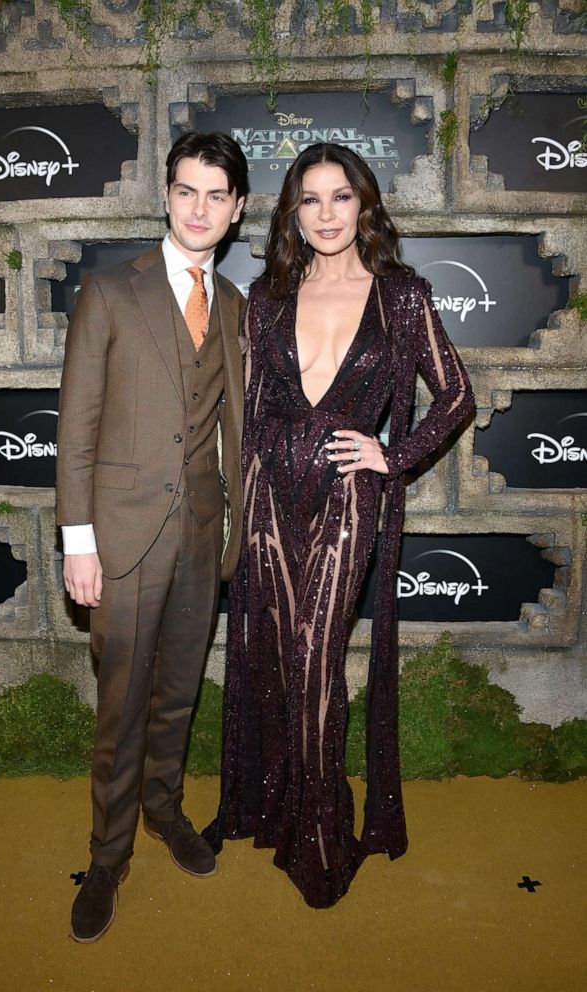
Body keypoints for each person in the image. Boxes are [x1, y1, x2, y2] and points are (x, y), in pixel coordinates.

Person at [204, 142, 475, 908]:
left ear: (365, 205)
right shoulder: (266, 298)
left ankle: (322, 834)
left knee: (317, 660)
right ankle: (278, 807)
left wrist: (393, 455)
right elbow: (247, 405)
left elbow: (456, 395)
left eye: (341, 197)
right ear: (291, 212)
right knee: (277, 662)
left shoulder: (403, 296)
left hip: (347, 499)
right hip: (268, 497)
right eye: (310, 200)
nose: (326, 214)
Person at [56, 132, 248, 941]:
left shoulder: (236, 307)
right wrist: (78, 541)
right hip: (121, 540)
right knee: (121, 708)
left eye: (216, 195)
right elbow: (76, 430)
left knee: (175, 697)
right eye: (186, 191)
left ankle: (164, 810)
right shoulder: (108, 292)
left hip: (203, 534)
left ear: (237, 209)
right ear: (165, 196)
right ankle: (106, 857)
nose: (199, 208)